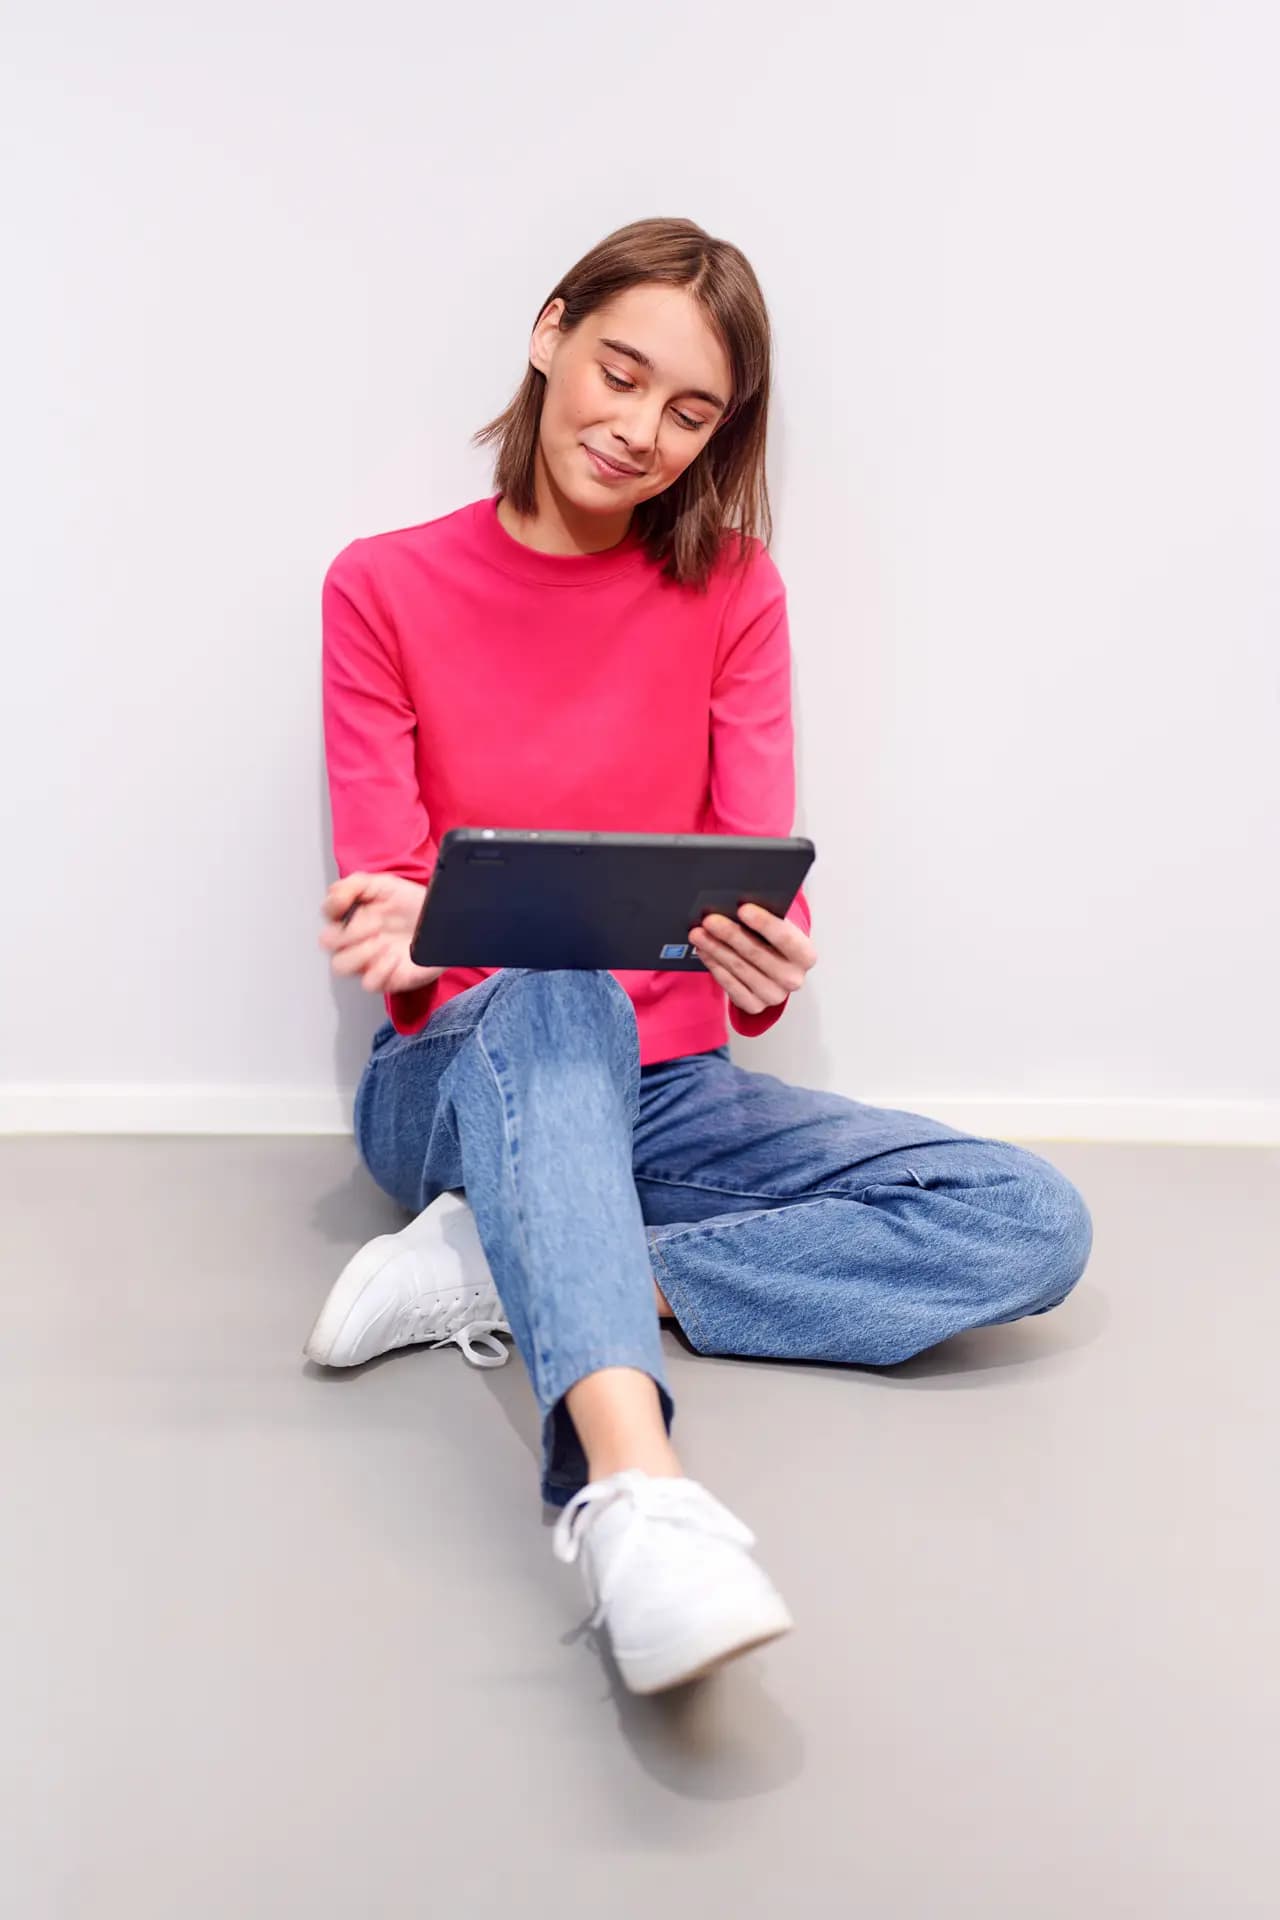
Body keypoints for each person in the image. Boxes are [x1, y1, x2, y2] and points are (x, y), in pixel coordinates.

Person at [307, 216, 1093, 1696]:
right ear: (549, 333)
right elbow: (390, 887)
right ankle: (638, 1502)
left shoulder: (733, 589)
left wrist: (764, 962)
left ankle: (520, 1263)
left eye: (691, 412)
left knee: (1029, 1221)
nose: (640, 431)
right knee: (551, 975)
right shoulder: (383, 586)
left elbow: (755, 867)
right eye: (620, 372)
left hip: (676, 1096)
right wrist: (406, 924)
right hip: (456, 1081)